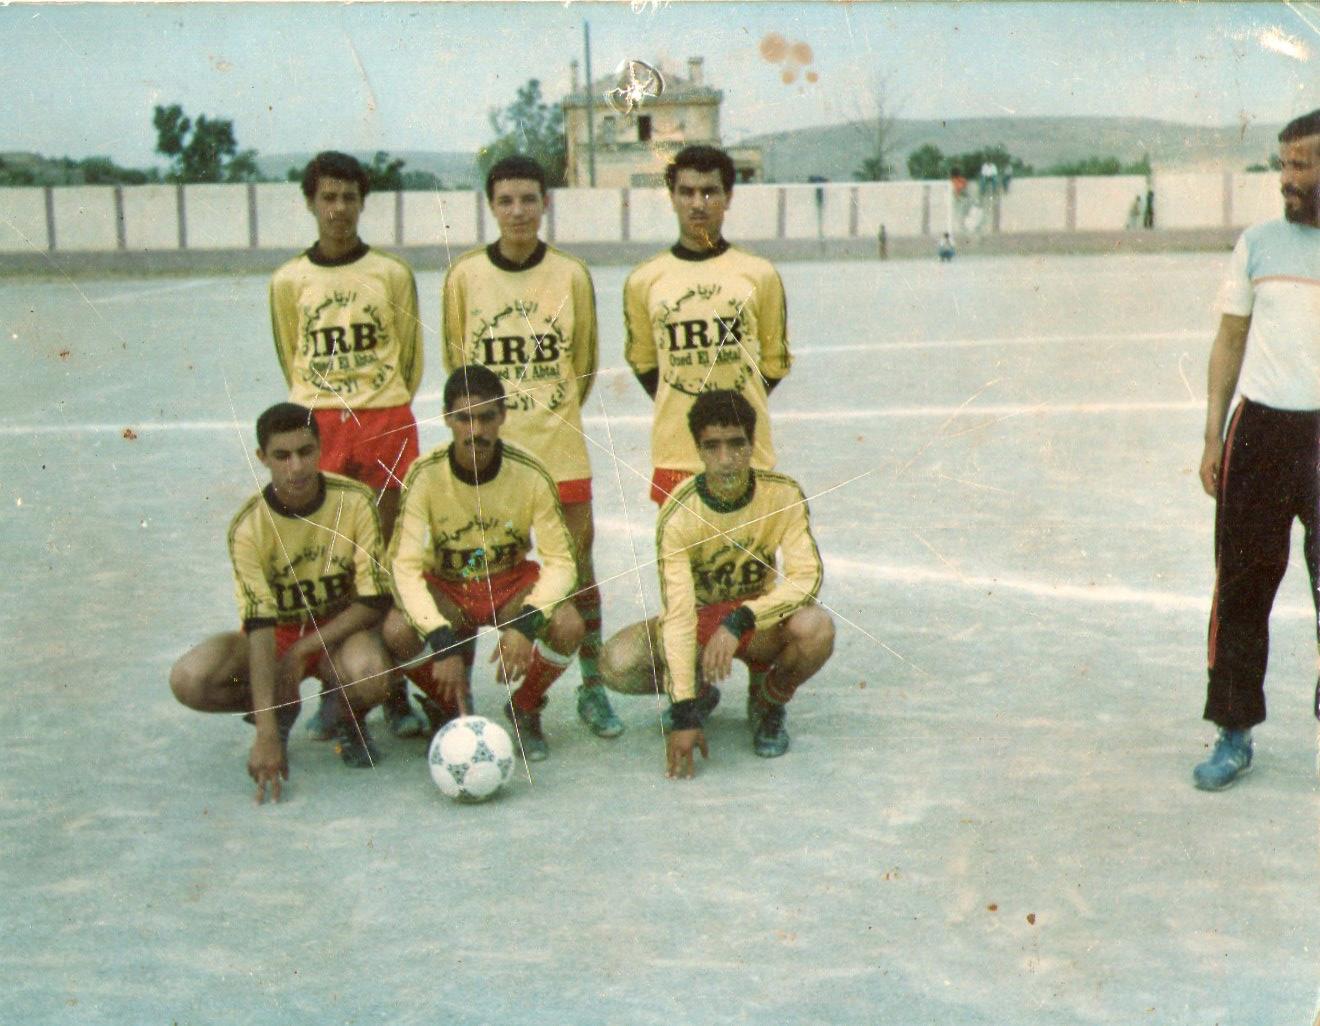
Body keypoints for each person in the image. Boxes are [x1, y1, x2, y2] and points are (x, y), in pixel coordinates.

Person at [440, 154, 622, 741]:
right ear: (491, 207)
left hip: (559, 451)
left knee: (578, 569)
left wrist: (550, 413)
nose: (518, 211)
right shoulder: (465, 276)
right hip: (488, 457)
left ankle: (592, 686)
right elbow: (458, 369)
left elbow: (583, 363)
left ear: (545, 203)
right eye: (506, 200)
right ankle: (463, 696)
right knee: (478, 569)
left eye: (528, 199)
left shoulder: (570, 275)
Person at [269, 150, 425, 739]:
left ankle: (396, 690)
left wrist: (376, 400)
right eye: (328, 197)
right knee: (330, 560)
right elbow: (290, 352)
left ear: (363, 203)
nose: (339, 209)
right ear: (310, 203)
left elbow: (410, 357)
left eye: (349, 198)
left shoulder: (390, 274)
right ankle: (337, 691)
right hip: (322, 423)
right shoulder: (289, 280)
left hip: (384, 419)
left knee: (385, 559)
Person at [599, 390, 835, 779]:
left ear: (753, 444)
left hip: (758, 624)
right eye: (713, 446)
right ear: (698, 449)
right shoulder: (679, 512)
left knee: (817, 628)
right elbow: (678, 614)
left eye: (736, 443)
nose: (726, 459)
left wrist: (742, 619)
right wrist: (684, 711)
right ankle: (698, 692)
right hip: (701, 624)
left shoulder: (783, 494)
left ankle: (768, 700)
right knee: (616, 663)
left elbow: (806, 579)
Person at [169, 403, 394, 803]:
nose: (296, 467)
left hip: (337, 633)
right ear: (262, 458)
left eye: (305, 452)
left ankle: (348, 716)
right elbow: (259, 627)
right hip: (277, 636)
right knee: (190, 680)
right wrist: (266, 733)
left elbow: (373, 600)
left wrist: (304, 650)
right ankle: (280, 709)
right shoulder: (248, 525)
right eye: (282, 456)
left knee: (371, 675)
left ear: (320, 447)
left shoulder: (355, 500)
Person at [1193, 108, 1320, 791]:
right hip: (1261, 432)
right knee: (1241, 588)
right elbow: (1230, 341)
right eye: (1283, 164)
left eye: (1301, 164)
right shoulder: (1258, 245)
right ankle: (1233, 732)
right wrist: (1212, 434)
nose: (1286, 178)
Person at [383, 366, 584, 762]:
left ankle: (524, 705)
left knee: (568, 625)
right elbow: (403, 568)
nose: (476, 430)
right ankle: (450, 703)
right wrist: (440, 640)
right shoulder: (424, 474)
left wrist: (527, 624)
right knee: (396, 630)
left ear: (503, 415)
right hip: (451, 587)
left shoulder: (530, 472)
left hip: (508, 583)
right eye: (464, 419)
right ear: (446, 418)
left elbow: (562, 562)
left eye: (487, 417)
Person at [624, 145, 792, 508]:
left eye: (709, 192)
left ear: (728, 197)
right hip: (677, 455)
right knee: (680, 547)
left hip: (747, 454)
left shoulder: (759, 274)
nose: (697, 203)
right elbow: (643, 362)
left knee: (752, 547)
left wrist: (734, 408)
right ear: (672, 198)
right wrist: (688, 403)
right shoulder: (644, 280)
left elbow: (776, 363)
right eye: (686, 192)